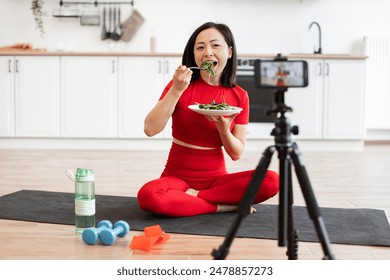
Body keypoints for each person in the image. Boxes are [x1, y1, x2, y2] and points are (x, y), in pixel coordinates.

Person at [137, 22, 279, 217]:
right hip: (176, 177)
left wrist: (223, 130)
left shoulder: (240, 96)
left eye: (215, 45)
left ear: (229, 52)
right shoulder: (179, 85)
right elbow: (150, 129)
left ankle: (193, 199)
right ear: (194, 54)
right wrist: (176, 90)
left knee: (272, 180)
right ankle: (221, 206)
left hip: (216, 180)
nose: (207, 52)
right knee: (148, 196)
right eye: (200, 47)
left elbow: (236, 153)